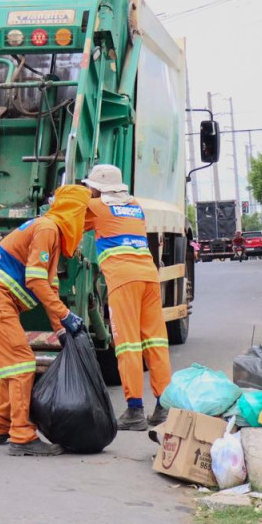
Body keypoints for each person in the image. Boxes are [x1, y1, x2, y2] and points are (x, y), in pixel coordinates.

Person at [0, 184, 90, 456]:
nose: (84, 224)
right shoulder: (47, 230)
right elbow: (36, 281)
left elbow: (50, 288)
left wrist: (61, 330)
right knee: (22, 363)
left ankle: (2, 425)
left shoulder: (50, 231)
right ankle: (21, 436)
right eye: (83, 215)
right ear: (74, 212)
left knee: (9, 366)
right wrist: (66, 315)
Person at [82, 164, 172, 431]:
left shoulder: (96, 207)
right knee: (156, 341)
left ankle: (134, 410)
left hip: (123, 280)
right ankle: (164, 407)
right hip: (149, 277)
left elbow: (68, 217)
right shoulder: (135, 207)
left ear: (98, 188)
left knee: (128, 345)